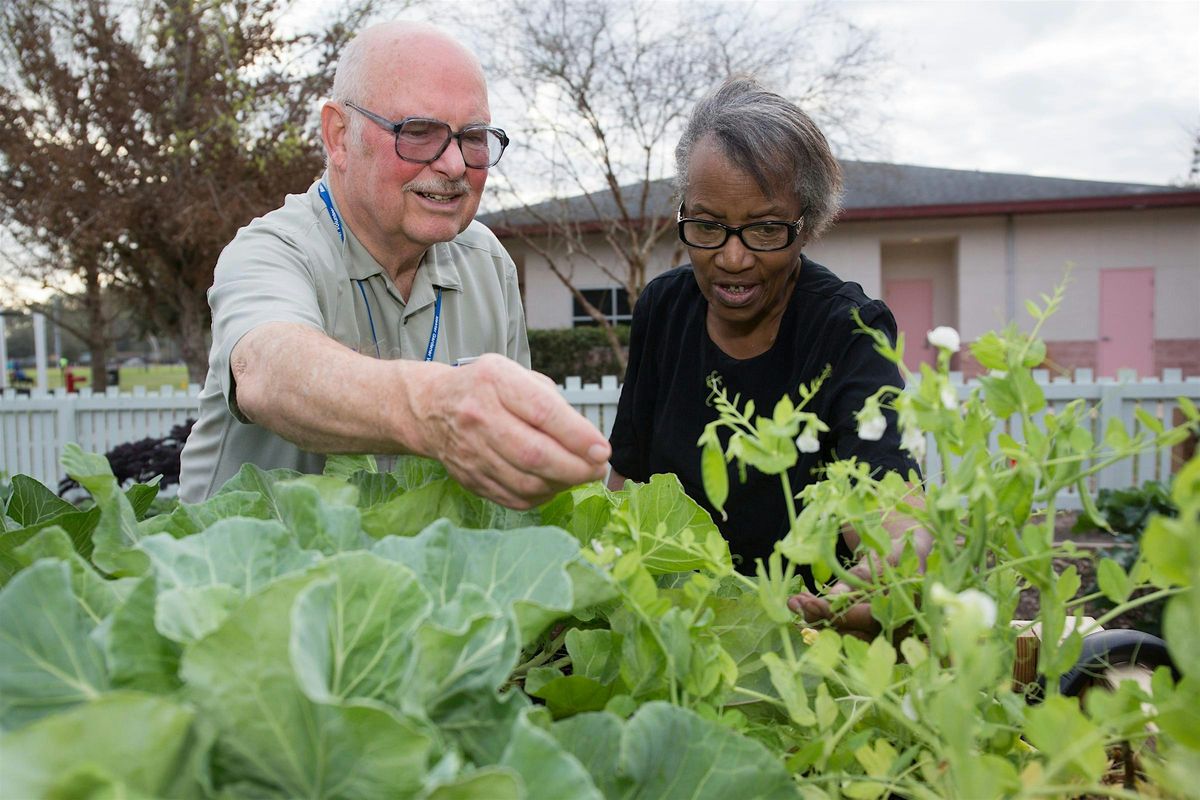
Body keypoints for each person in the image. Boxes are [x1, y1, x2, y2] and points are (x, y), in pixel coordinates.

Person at [179, 21, 610, 508]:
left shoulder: (489, 263)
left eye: (473, 137)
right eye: (418, 133)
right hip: (250, 577)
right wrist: (436, 408)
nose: (453, 165)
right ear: (339, 136)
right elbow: (267, 374)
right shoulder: (272, 249)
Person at [606, 76, 930, 637]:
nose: (731, 258)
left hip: (803, 642)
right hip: (673, 635)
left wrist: (891, 568)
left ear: (807, 225)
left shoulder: (847, 329)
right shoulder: (663, 309)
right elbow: (627, 490)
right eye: (707, 225)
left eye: (764, 229)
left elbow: (890, 507)